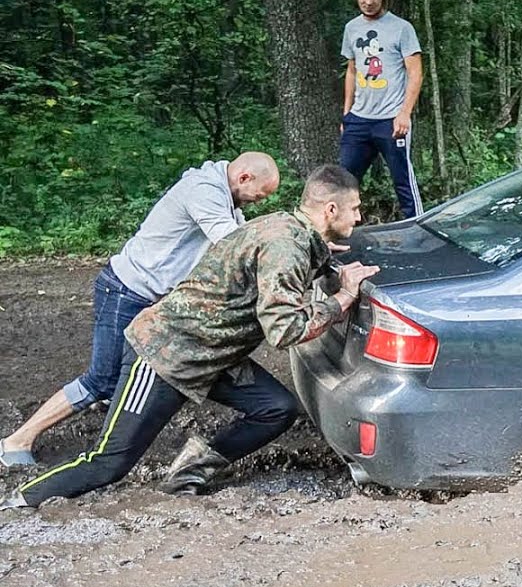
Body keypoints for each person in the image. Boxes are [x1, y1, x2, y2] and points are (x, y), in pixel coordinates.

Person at [3, 165, 380, 509]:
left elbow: (277, 265)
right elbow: (284, 331)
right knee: (109, 463)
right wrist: (343, 297)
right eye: (355, 208)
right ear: (330, 210)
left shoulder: (286, 229)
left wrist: (322, 258)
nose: (359, 216)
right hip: (166, 353)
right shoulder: (286, 245)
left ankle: (189, 471)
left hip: (212, 353)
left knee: (275, 408)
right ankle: (21, 500)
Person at [0, 153, 279, 468]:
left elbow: (247, 237)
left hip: (153, 297)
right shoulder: (204, 191)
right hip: (126, 291)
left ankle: (109, 401)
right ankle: (18, 439)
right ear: (244, 177)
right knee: (100, 380)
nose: (259, 201)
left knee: (119, 375)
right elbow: (234, 246)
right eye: (260, 194)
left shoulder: (227, 200)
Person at [339, 0, 424, 220]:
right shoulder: (351, 28)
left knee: (403, 182)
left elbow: (415, 73)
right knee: (342, 183)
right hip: (359, 119)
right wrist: (347, 113)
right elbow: (352, 70)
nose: (368, 1)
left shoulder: (401, 28)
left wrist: (404, 114)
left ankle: (418, 230)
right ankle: (338, 237)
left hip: (391, 120)